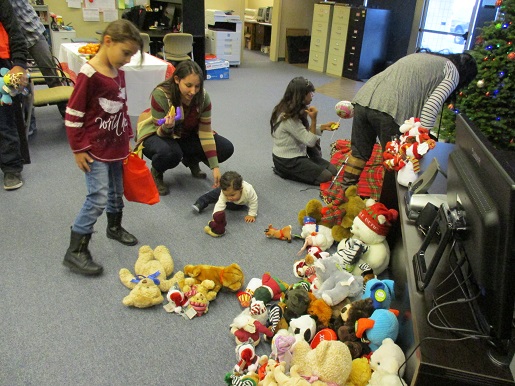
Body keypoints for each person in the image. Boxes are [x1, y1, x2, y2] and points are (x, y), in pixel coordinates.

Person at [63, 20, 144, 276]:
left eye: (132, 55)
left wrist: (128, 134)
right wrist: (78, 148)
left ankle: (114, 227)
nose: (128, 59)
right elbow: (73, 114)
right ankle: (75, 251)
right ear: (108, 41)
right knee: (97, 197)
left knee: (116, 191)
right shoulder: (89, 74)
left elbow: (121, 105)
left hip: (116, 144)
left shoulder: (118, 71)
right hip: (94, 149)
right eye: (126, 53)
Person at [340, 52, 478, 190]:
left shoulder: (426, 57)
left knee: (359, 152)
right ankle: (389, 204)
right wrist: (422, 137)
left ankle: (344, 192)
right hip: (391, 108)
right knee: (397, 159)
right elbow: (432, 105)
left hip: (364, 97)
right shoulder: (452, 72)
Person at [137, 60, 234, 196]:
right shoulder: (161, 94)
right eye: (188, 85)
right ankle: (157, 171)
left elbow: (205, 133)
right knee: (171, 153)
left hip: (185, 134)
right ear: (177, 79)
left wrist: (215, 166)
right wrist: (167, 126)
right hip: (157, 135)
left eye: (197, 86)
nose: (193, 91)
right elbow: (159, 132)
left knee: (225, 148)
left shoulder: (203, 97)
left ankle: (191, 159)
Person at [270, 76, 339, 185]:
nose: (312, 96)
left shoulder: (293, 107)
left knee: (333, 170)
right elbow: (310, 142)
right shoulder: (287, 117)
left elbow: (300, 130)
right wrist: (314, 120)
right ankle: (284, 172)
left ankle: (303, 168)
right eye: (310, 93)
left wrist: (323, 127)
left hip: (299, 153)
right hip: (287, 160)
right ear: (301, 95)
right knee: (326, 176)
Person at [10, 0, 67, 126]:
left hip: (32, 32)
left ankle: (67, 113)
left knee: (51, 74)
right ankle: (29, 121)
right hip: (13, 38)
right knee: (19, 81)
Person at [0, 0, 29, 190]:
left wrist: (19, 64)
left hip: (2, 66)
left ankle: (11, 168)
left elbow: (16, 34)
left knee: (4, 121)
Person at [193, 170, 258, 223]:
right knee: (215, 194)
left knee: (234, 207)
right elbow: (220, 205)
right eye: (226, 195)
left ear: (240, 189)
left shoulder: (249, 190)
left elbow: (254, 202)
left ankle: (218, 199)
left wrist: (252, 214)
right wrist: (215, 218)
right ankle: (201, 202)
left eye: (232, 195)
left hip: (238, 203)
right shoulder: (224, 193)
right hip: (222, 192)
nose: (229, 197)